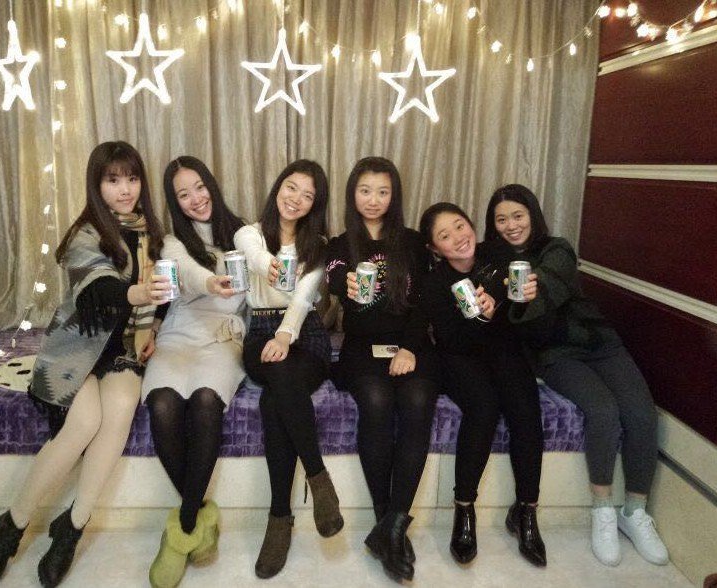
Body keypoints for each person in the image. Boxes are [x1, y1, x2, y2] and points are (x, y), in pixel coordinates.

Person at [0, 141, 170, 588]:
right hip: (76, 350)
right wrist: (137, 293)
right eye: (113, 180)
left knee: (120, 412)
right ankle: (12, 525)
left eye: (132, 179)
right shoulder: (86, 234)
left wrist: (154, 326)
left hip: (123, 350)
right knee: (84, 422)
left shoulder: (150, 235)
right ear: (96, 185)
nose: (125, 189)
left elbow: (163, 297)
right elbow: (99, 291)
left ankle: (73, 526)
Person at [485, 184, 668, 567]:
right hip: (554, 355)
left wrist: (528, 293)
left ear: (532, 215)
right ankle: (602, 510)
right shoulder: (494, 263)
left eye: (518, 215)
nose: (511, 225)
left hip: (600, 343)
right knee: (602, 411)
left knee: (641, 415)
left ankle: (634, 512)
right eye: (501, 219)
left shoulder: (557, 249)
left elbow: (551, 283)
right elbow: (503, 317)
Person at [325, 157, 438, 581]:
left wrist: (408, 348)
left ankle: (393, 524)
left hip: (410, 345)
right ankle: (385, 520)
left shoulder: (412, 243)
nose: (374, 200)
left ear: (395, 196)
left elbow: (423, 302)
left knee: (418, 401)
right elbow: (335, 276)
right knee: (375, 402)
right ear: (353, 194)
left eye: (383, 191)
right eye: (365, 190)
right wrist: (347, 284)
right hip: (361, 349)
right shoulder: (340, 245)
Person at [419, 202, 547, 567]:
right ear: (435, 248)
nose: (458, 238)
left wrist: (502, 302)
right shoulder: (435, 282)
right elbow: (451, 340)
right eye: (445, 235)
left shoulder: (497, 253)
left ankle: (526, 509)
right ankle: (464, 508)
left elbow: (514, 301)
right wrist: (481, 319)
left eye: (460, 226)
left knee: (525, 409)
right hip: (458, 356)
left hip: (504, 348)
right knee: (484, 407)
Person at [233, 160, 343, 579]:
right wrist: (271, 266)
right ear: (278, 186)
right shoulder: (249, 232)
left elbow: (302, 298)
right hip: (259, 329)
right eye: (291, 187)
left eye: (308, 195)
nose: (296, 199)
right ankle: (318, 477)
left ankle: (279, 518)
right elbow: (256, 257)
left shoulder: (319, 245)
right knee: (280, 379)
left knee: (274, 398)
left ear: (316, 204)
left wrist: (285, 336)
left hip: (306, 334)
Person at [141, 156, 247, 588]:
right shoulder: (171, 241)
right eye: (183, 194)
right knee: (162, 404)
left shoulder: (243, 233)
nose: (195, 199)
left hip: (223, 337)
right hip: (179, 333)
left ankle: (180, 532)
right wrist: (208, 283)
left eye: (199, 187)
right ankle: (200, 519)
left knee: (205, 401)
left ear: (212, 185)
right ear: (174, 202)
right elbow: (183, 270)